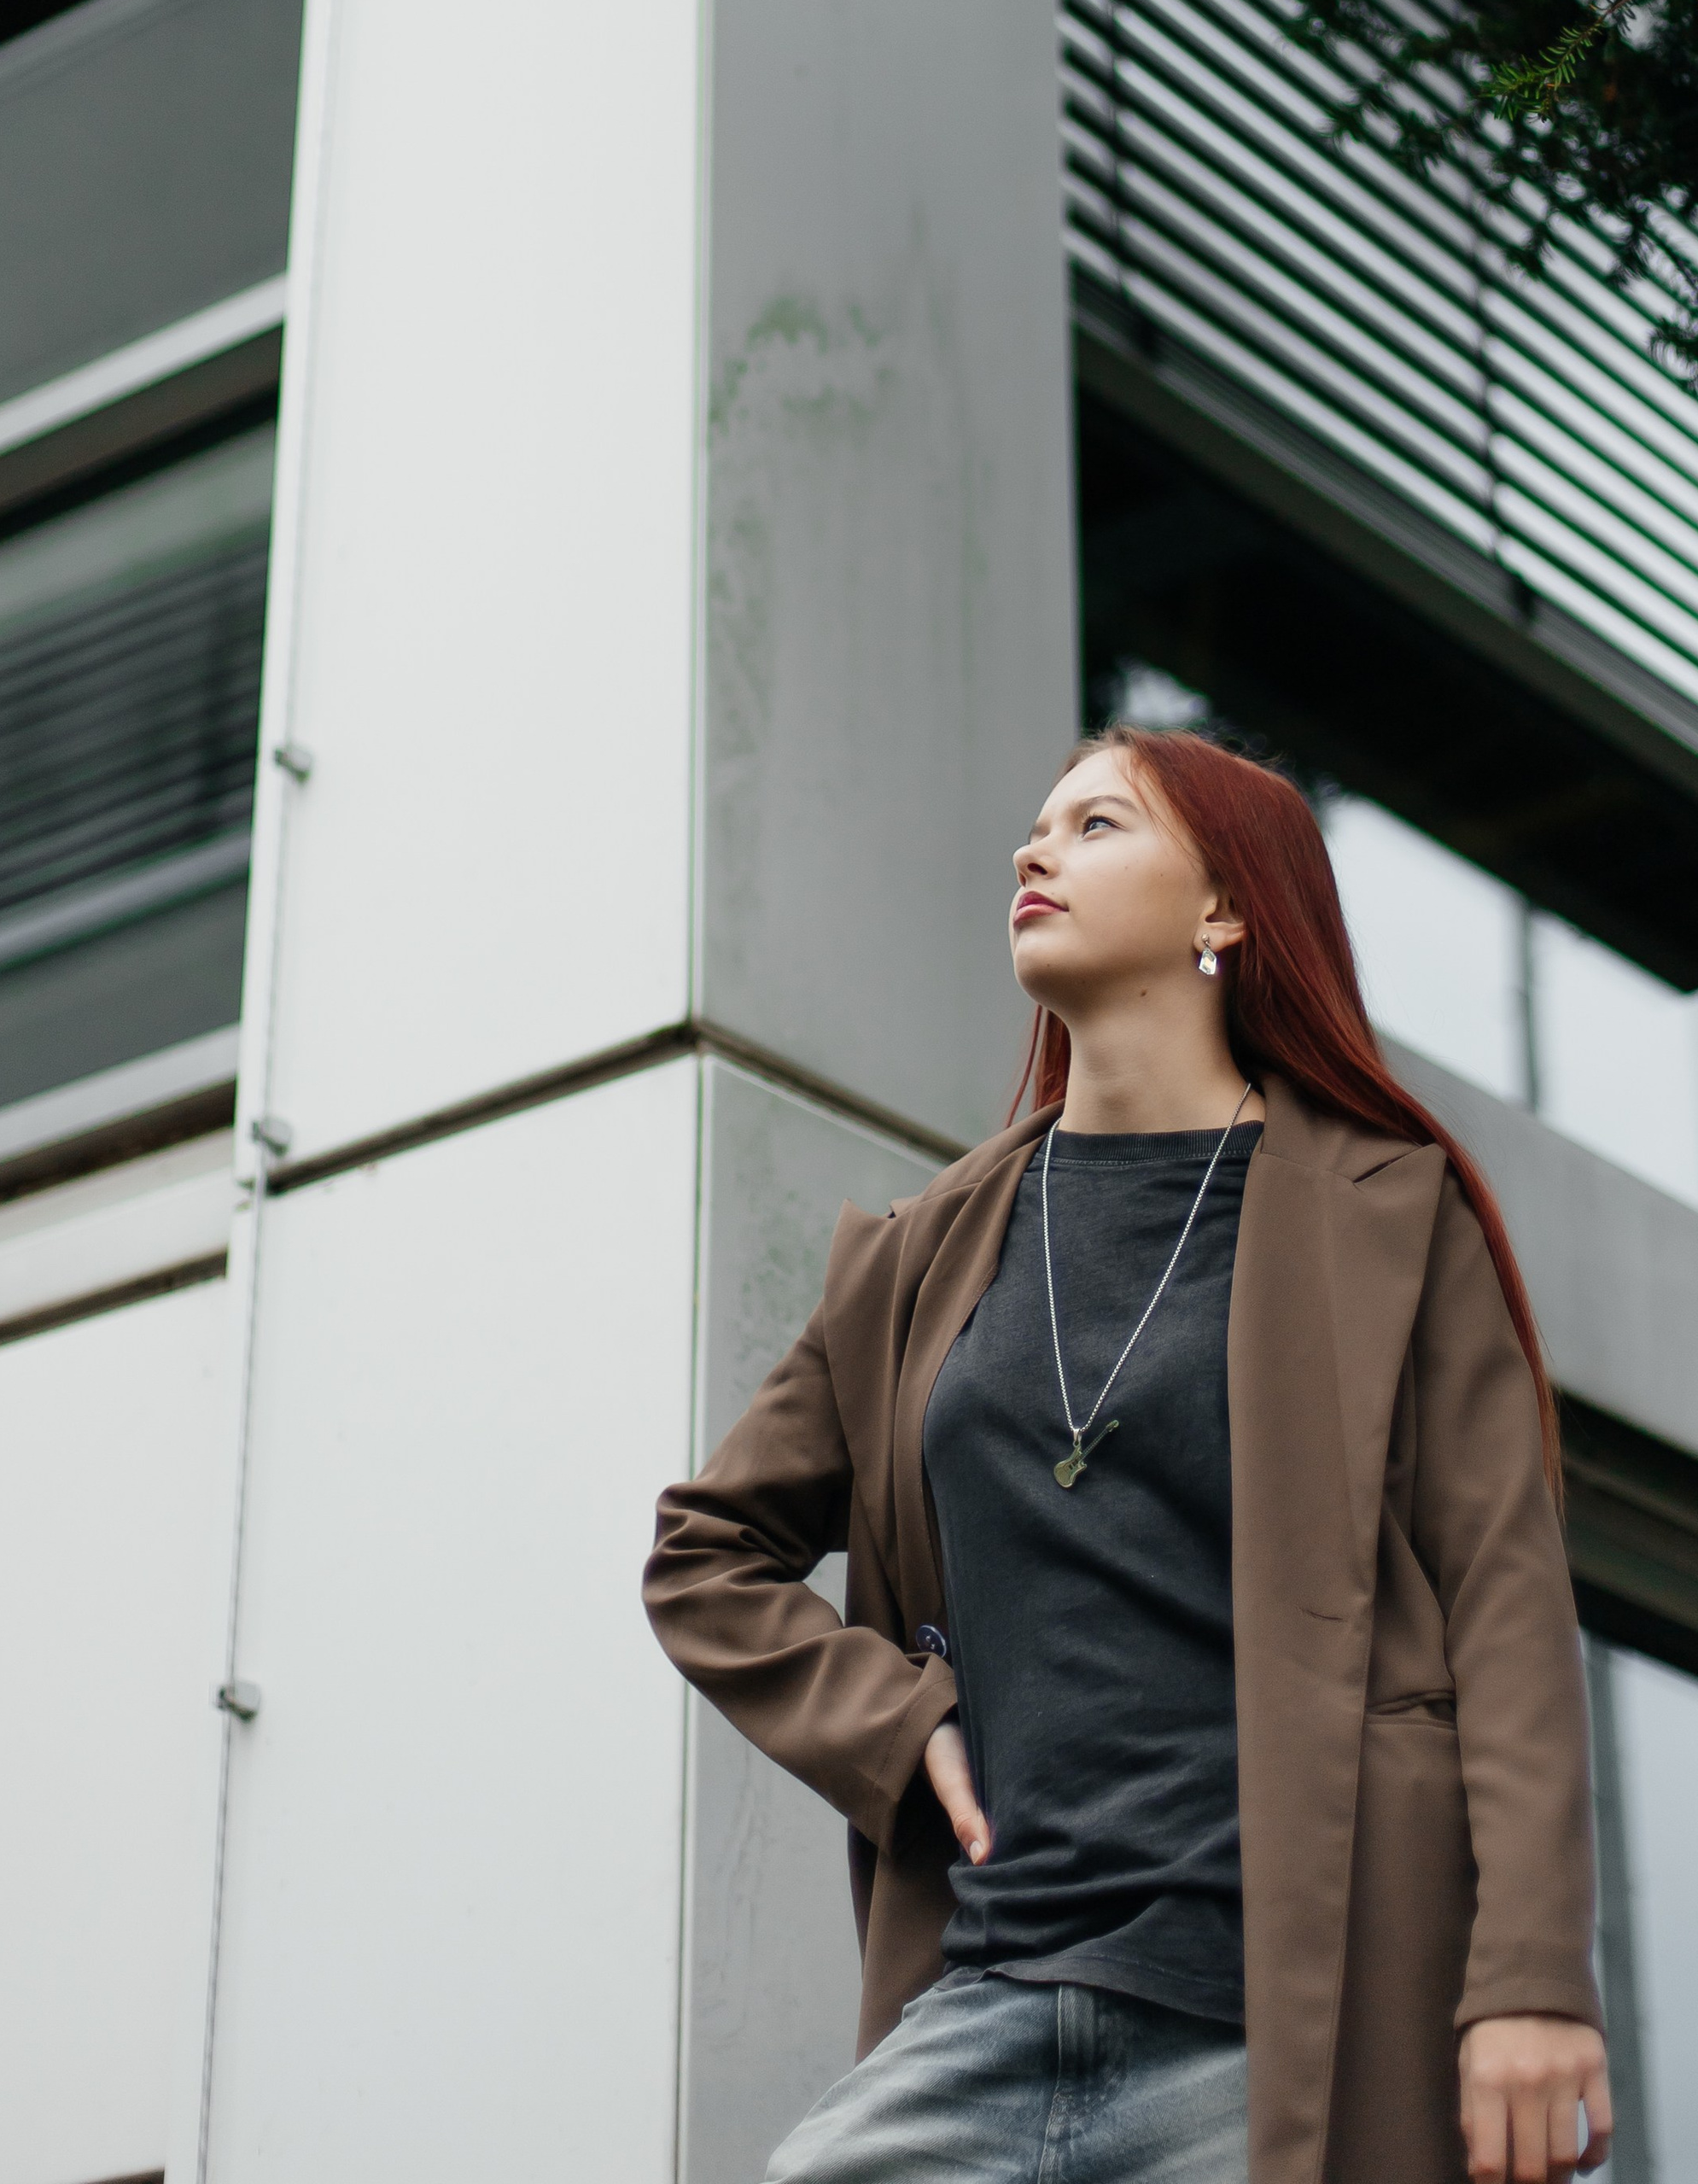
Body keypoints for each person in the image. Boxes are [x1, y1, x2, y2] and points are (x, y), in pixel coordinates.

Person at [644, 726, 1613, 2184]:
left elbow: (1508, 1608)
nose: (1034, 851)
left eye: (1097, 825)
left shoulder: (1389, 1217)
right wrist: (896, 1725)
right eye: (1040, 828)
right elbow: (705, 1557)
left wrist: (1531, 1976)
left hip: (1278, 2033)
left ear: (1226, 908)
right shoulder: (918, 1258)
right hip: (984, 2008)